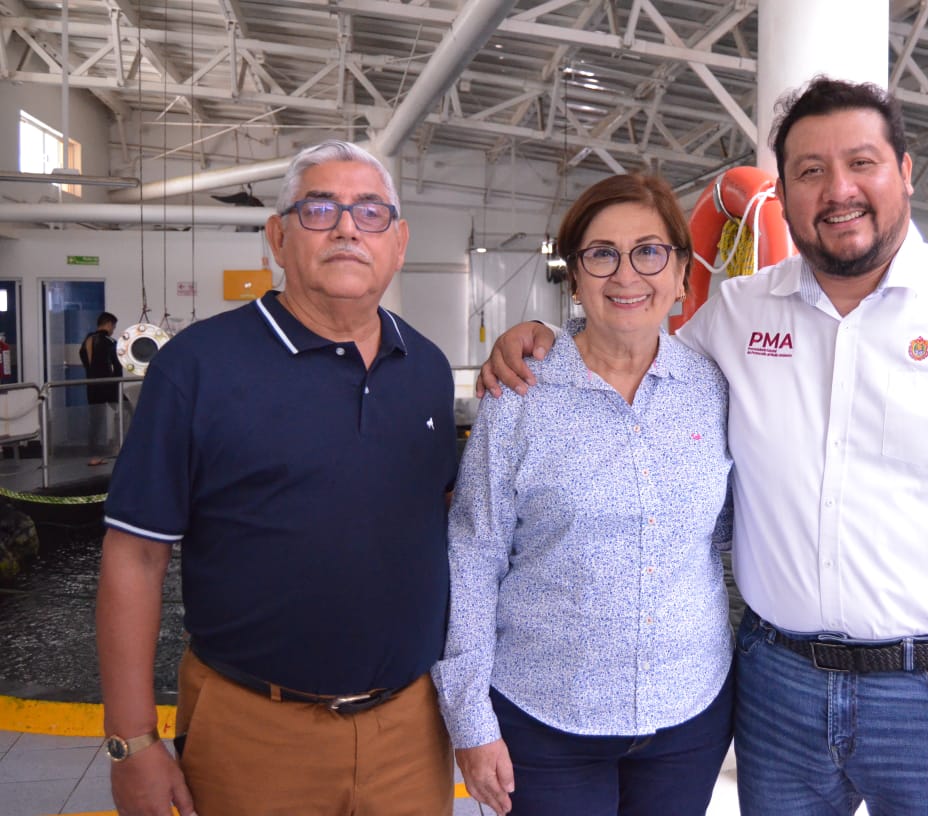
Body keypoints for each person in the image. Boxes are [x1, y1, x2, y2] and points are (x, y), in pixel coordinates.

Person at [479, 76, 928, 816]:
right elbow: (637, 351)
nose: (838, 190)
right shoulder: (740, 314)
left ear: (905, 171)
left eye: (862, 163)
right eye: (811, 171)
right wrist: (541, 342)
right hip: (780, 689)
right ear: (786, 191)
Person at [95, 140, 457, 816]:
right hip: (252, 732)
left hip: (410, 728)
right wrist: (130, 740)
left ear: (399, 242)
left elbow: (446, 521)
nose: (348, 227)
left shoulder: (428, 369)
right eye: (320, 209)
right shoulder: (199, 367)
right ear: (278, 237)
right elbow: (136, 555)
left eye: (371, 213)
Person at [432, 174, 734, 816]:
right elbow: (474, 555)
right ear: (575, 277)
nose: (627, 274)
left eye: (650, 251)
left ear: (681, 273)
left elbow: (732, 531)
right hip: (545, 717)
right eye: (602, 254)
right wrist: (470, 718)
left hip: (688, 713)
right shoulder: (519, 394)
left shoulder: (713, 386)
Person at [80, 311, 123, 465]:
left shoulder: (87, 340)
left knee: (95, 421)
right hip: (109, 386)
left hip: (92, 386)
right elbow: (116, 365)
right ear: (109, 324)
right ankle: (120, 448)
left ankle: (93, 456)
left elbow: (86, 361)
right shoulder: (110, 342)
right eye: (114, 326)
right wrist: (117, 380)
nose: (113, 330)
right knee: (125, 412)